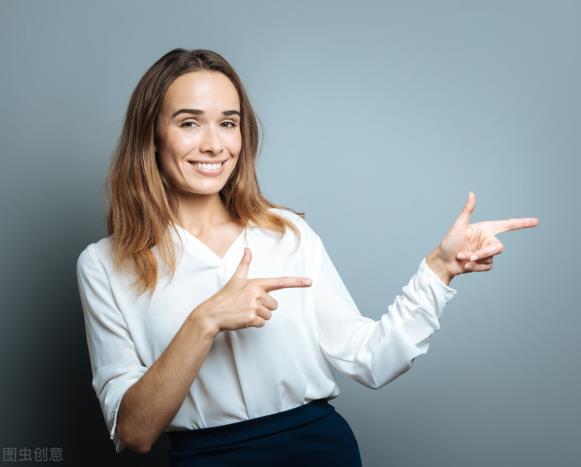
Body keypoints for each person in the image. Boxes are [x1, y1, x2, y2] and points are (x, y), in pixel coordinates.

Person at [76, 48, 539, 467]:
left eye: (229, 122)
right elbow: (134, 432)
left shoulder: (287, 233)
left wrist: (440, 271)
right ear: (152, 136)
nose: (215, 144)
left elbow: (371, 359)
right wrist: (204, 321)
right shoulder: (104, 265)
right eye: (189, 122)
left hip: (319, 452)